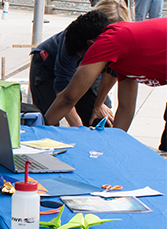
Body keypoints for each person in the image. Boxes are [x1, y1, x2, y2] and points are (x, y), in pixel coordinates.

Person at [44, 18, 167, 149]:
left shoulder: (108, 40)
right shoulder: (126, 53)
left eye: (85, 58)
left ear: (91, 44)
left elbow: (68, 98)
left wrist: (35, 133)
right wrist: (112, 148)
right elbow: (126, 108)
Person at [30, 0, 129, 126]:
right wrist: (78, 127)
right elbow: (64, 93)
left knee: (102, 119)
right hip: (47, 65)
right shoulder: (73, 40)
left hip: (80, 67)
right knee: (48, 120)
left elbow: (109, 74)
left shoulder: (119, 42)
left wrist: (99, 104)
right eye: (106, 34)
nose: (109, 38)